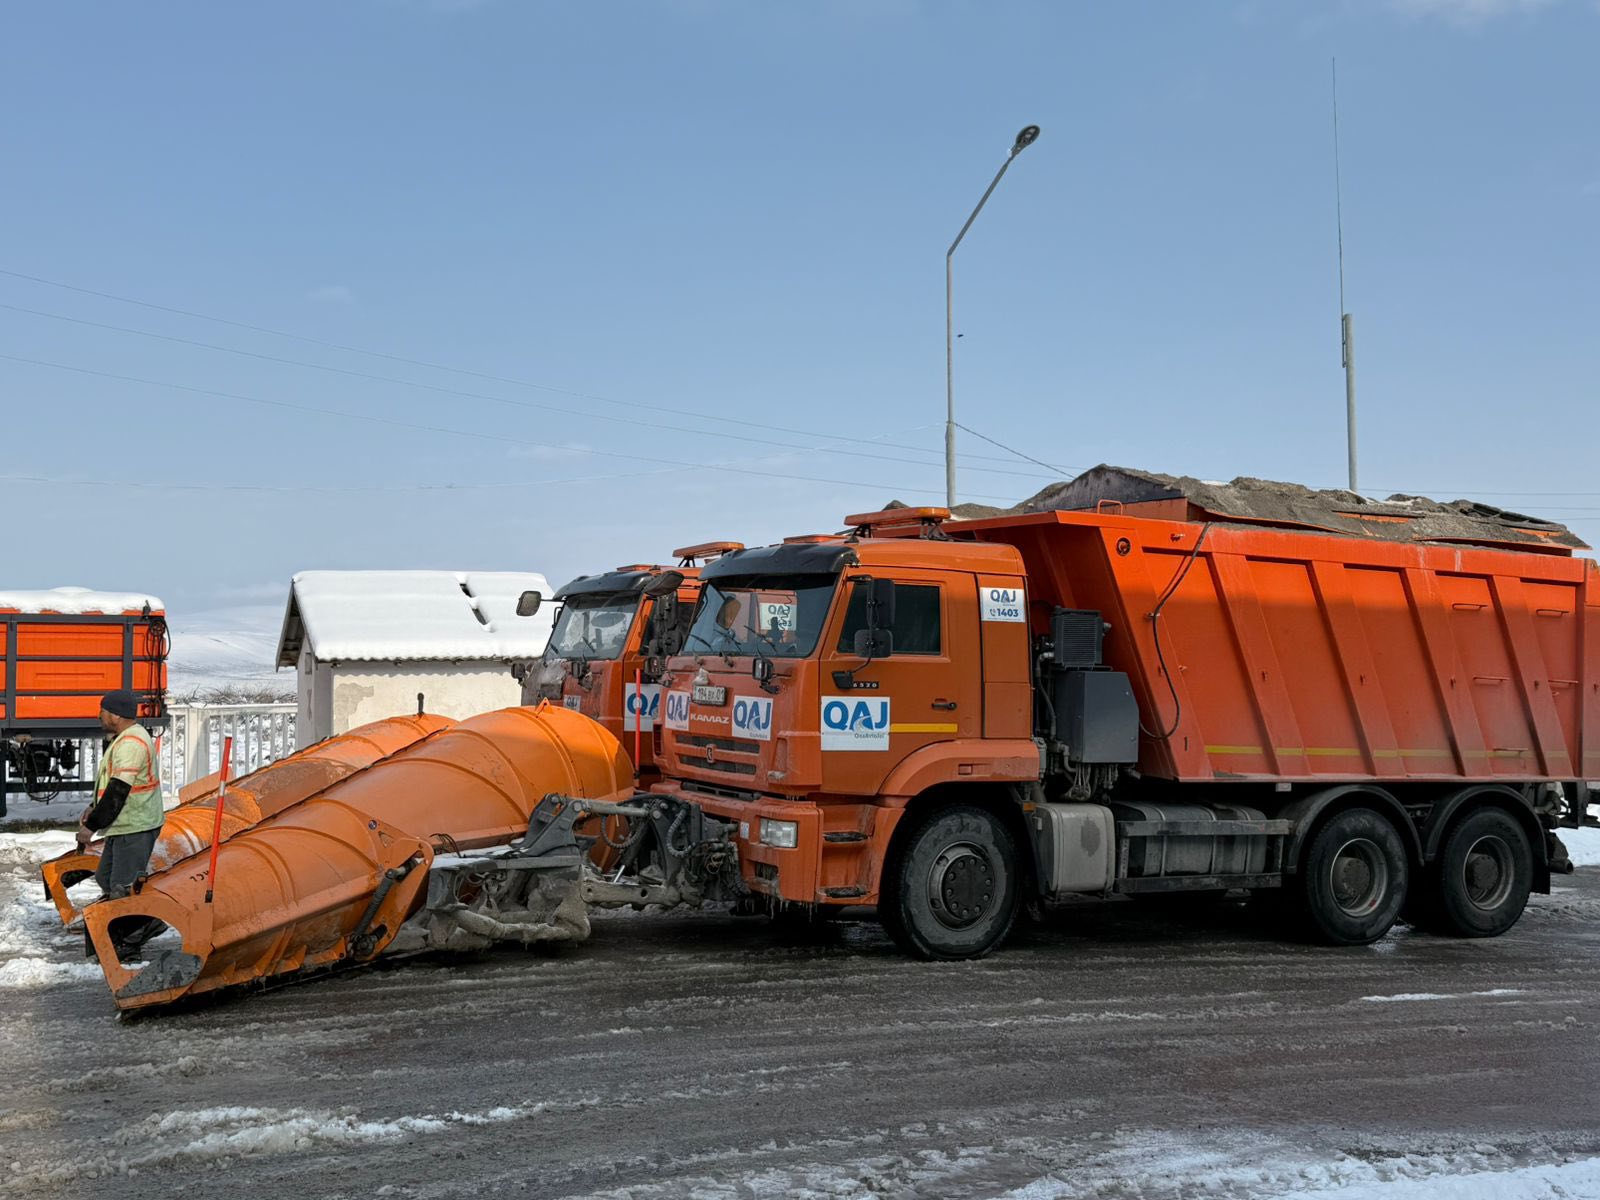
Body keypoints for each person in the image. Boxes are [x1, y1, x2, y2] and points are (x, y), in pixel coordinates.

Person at [77, 689, 162, 900]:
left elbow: (118, 791)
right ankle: (121, 924)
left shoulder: (131, 744)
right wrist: (93, 805)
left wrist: (91, 827)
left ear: (115, 715)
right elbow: (113, 784)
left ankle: (141, 926)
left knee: (122, 887)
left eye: (103, 711)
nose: (99, 716)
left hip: (136, 824)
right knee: (104, 879)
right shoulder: (124, 738)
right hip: (125, 823)